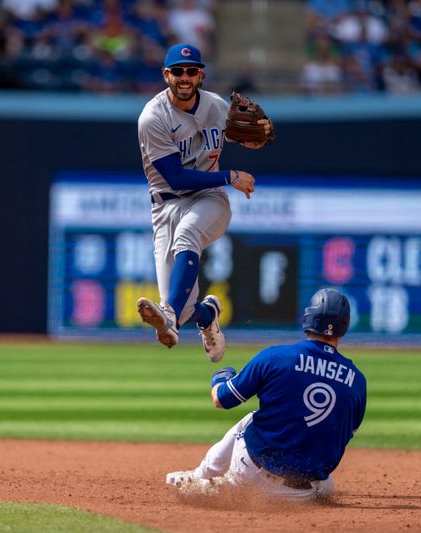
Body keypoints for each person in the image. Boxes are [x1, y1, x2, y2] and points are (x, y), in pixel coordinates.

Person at [135, 42, 273, 362]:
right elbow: (177, 179)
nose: (185, 77)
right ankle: (206, 315)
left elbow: (250, 136)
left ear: (201, 75)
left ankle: (168, 315)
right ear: (166, 75)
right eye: (178, 72)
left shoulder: (217, 106)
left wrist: (258, 135)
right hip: (166, 204)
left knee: (187, 239)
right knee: (183, 307)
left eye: (192, 71)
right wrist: (230, 175)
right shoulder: (152, 118)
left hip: (209, 200)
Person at [165, 288, 367, 502]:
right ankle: (233, 485)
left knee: (252, 418)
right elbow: (345, 433)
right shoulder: (357, 381)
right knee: (326, 454)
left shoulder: (275, 357)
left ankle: (202, 477)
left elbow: (221, 399)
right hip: (306, 492)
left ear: (308, 318)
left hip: (254, 476)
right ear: (344, 325)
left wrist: (219, 379)